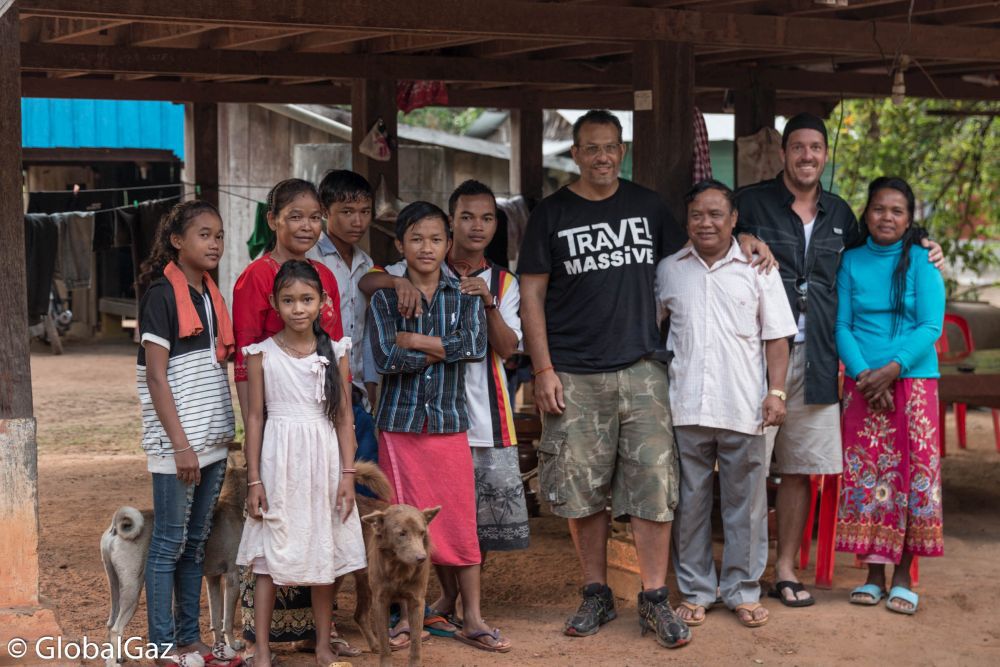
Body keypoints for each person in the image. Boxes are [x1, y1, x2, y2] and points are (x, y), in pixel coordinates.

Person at [518, 109, 773, 649]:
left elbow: (700, 244)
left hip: (643, 369)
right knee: (583, 490)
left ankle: (655, 598)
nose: (603, 156)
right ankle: (596, 591)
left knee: (655, 486)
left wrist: (746, 236)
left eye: (611, 146)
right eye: (591, 148)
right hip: (574, 373)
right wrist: (542, 369)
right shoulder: (552, 214)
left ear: (623, 150)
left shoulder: (647, 206)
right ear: (576, 153)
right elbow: (532, 297)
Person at [734, 113, 943, 607]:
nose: (808, 156)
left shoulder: (839, 214)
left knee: (801, 468)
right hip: (761, 354)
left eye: (816, 148)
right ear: (783, 153)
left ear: (826, 156)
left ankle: (785, 572)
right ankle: (742, 577)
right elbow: (714, 235)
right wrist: (741, 238)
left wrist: (927, 245)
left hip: (823, 360)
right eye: (799, 147)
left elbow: (882, 264)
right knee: (749, 465)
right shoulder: (750, 204)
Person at [359, 180, 528, 641]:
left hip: (450, 425)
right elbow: (387, 358)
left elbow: (474, 348)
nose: (427, 248)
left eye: (435, 239)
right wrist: (438, 348)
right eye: (416, 239)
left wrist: (414, 340)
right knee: (400, 526)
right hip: (400, 425)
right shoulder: (386, 297)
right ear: (399, 246)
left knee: (458, 523)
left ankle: (472, 619)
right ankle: (405, 620)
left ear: (447, 243)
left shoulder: (469, 293)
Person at [657, 181, 798, 630]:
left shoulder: (759, 269)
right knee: (690, 505)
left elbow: (777, 337)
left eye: (716, 214)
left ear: (734, 219)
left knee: (747, 506)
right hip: (685, 408)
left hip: (744, 407)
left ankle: (742, 590)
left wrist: (776, 393)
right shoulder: (669, 271)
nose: (706, 222)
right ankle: (697, 590)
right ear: (687, 220)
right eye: (697, 214)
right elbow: (651, 329)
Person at [231, 179, 355, 656]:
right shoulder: (255, 278)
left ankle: (317, 634)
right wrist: (254, 452)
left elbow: (334, 353)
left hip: (320, 426)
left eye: (314, 217)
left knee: (322, 534)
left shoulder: (323, 275)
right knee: (272, 542)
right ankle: (264, 642)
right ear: (273, 221)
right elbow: (247, 364)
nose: (307, 225)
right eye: (295, 216)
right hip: (276, 424)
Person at [136, 200, 242, 667]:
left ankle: (189, 640)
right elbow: (157, 378)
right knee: (169, 544)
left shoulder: (210, 297)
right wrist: (181, 445)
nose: (214, 242)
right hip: (179, 446)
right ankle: (163, 646)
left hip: (213, 442)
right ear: (177, 241)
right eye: (203, 234)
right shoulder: (161, 295)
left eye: (218, 234)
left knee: (195, 543)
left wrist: (218, 437)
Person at [834, 177, 945, 615]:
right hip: (862, 384)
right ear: (867, 213)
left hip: (914, 382)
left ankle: (903, 576)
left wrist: (892, 370)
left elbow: (931, 327)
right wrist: (865, 376)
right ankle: (873, 576)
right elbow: (842, 325)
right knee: (869, 479)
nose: (887, 217)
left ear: (909, 219)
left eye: (897, 211)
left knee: (913, 477)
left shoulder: (921, 261)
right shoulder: (851, 262)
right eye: (880, 209)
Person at [306, 170, 379, 474]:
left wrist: (371, 385)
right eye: (347, 212)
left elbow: (368, 330)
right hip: (317, 388)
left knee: (361, 475)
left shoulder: (367, 264)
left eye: (364, 212)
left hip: (358, 389)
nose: (358, 222)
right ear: (324, 211)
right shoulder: (310, 259)